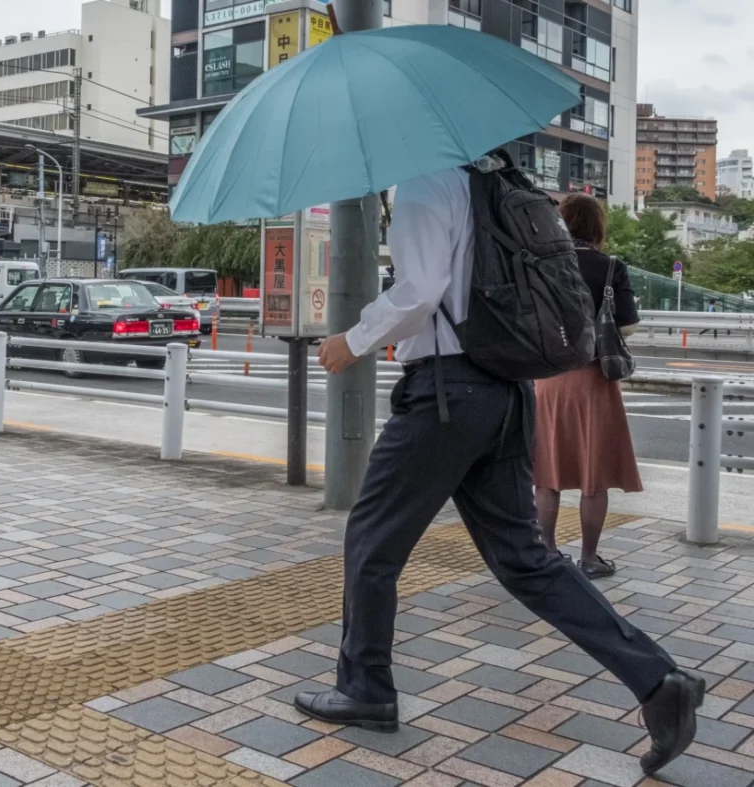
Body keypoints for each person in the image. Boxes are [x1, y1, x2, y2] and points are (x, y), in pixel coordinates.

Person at [295, 168, 702, 776]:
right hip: (507, 391)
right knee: (527, 560)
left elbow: (420, 292)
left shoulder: (424, 185)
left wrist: (350, 341)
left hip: (445, 394)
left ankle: (365, 689)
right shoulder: (488, 182)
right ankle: (658, 681)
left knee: (371, 540)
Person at [534, 194, 641, 579]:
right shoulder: (610, 267)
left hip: (547, 378)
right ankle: (590, 559)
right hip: (594, 378)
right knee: (594, 476)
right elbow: (627, 325)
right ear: (597, 226)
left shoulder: (543, 264)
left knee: (547, 474)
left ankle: (547, 554)